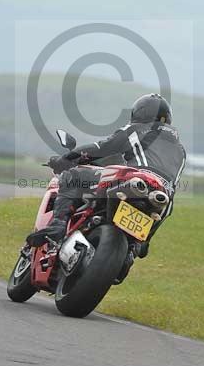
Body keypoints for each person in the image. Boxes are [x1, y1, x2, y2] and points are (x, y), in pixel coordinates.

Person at [27, 93, 187, 254]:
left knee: (72, 177)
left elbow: (100, 148)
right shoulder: (181, 150)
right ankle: (132, 249)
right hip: (162, 197)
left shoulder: (136, 130)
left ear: (140, 113)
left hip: (136, 180)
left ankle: (57, 226)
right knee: (141, 244)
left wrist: (66, 159)